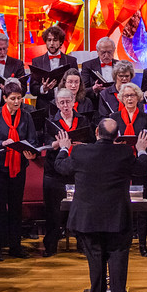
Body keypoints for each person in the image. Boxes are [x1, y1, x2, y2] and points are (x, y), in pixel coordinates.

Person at [54, 119, 147, 292]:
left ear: (97, 131)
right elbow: (142, 169)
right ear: (117, 136)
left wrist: (64, 148)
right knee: (118, 261)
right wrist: (141, 149)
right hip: (117, 218)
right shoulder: (124, 153)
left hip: (88, 219)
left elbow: (61, 167)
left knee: (95, 261)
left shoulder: (80, 152)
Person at [0, 81, 38, 260]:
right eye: (13, 98)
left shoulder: (26, 116)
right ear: (4, 98)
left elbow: (33, 140)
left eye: (19, 98)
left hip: (18, 167)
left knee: (15, 207)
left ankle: (15, 245)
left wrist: (31, 153)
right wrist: (2, 143)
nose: (17, 102)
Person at [41, 88, 93, 257]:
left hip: (77, 170)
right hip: (54, 171)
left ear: (73, 102)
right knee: (53, 212)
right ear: (57, 104)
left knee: (81, 210)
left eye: (68, 101)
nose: (65, 105)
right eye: (61, 102)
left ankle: (82, 244)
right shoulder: (51, 122)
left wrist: (79, 145)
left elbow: (91, 143)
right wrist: (59, 145)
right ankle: (51, 245)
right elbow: (46, 145)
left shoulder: (83, 120)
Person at [110, 82, 147, 256]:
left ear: (138, 98)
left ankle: (143, 244)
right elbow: (109, 140)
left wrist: (141, 146)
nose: (129, 98)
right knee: (121, 205)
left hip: (140, 164)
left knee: (141, 205)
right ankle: (122, 243)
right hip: (120, 166)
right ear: (121, 99)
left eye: (132, 95)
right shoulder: (114, 117)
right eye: (126, 96)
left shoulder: (146, 118)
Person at [30, 25, 78, 113]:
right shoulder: (37, 61)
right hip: (44, 107)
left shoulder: (71, 61)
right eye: (49, 40)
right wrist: (43, 89)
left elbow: (77, 84)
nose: (51, 43)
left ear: (60, 42)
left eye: (55, 40)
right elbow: (33, 89)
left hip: (66, 106)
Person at [80, 36, 117, 100]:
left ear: (114, 50)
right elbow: (82, 90)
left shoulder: (120, 65)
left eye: (109, 52)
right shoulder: (88, 65)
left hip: (117, 101)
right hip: (96, 102)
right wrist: (93, 89)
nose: (106, 55)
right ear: (97, 51)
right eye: (103, 52)